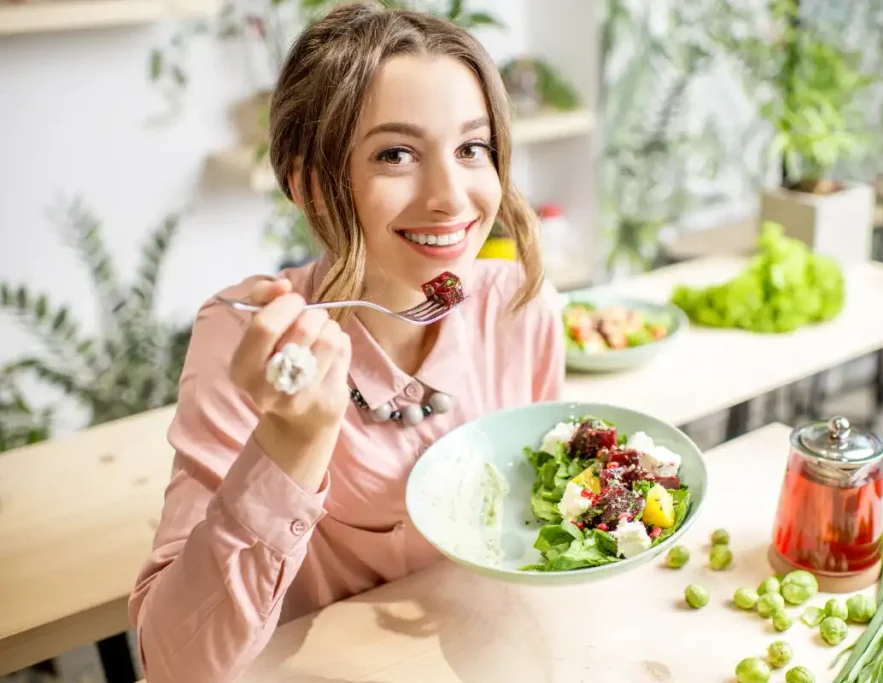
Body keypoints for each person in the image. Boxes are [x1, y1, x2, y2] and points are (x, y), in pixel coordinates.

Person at [127, 4, 566, 681]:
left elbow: (533, 532)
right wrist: (291, 443)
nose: (451, 197)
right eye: (396, 154)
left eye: (472, 148)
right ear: (307, 185)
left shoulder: (519, 306)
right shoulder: (246, 334)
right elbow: (173, 664)